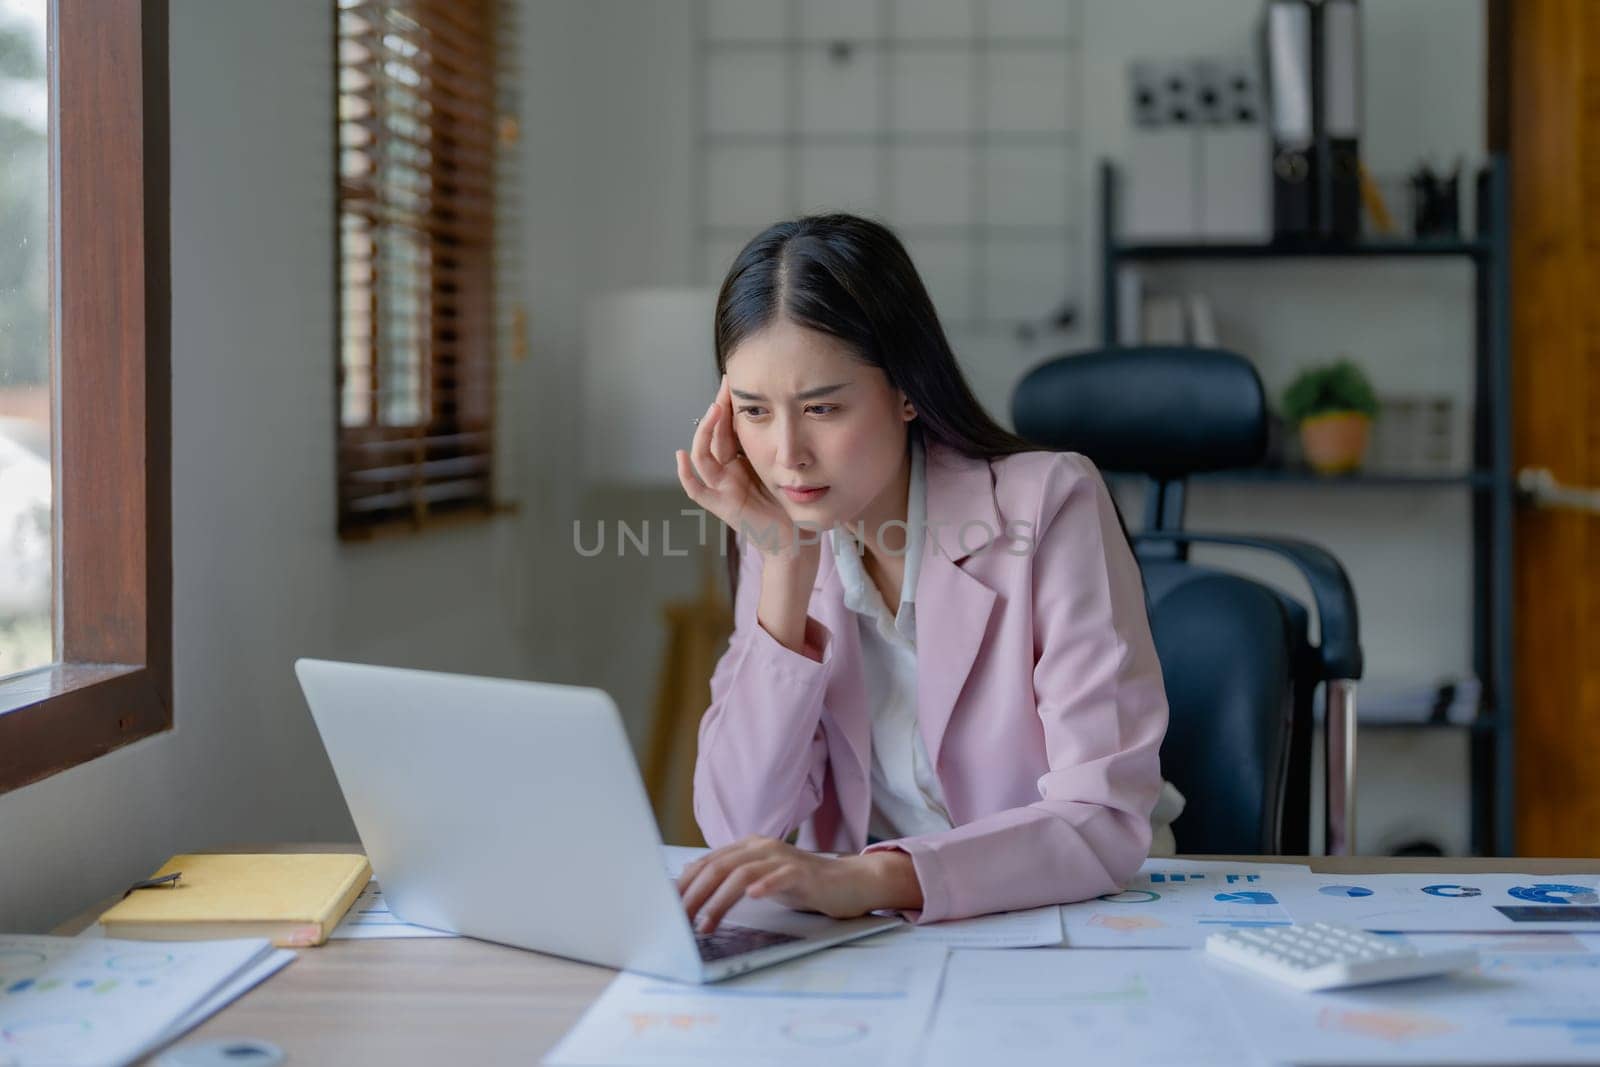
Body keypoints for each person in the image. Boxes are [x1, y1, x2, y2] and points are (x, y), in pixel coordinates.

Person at [673, 214, 1184, 934]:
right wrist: (784, 570)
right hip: (881, 936)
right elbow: (736, 824)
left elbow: (1098, 819)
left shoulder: (1051, 501)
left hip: (1071, 913)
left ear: (906, 391)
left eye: (823, 407)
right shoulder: (779, 532)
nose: (787, 454)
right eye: (754, 412)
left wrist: (872, 875)